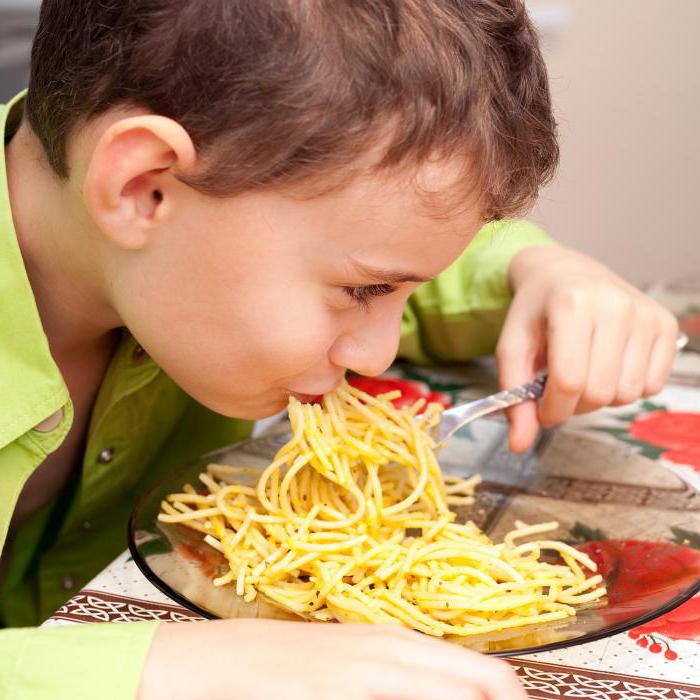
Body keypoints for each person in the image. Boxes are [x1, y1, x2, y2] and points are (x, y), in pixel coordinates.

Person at [0, 0, 678, 698]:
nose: (376, 356)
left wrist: (543, 272)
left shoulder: (175, 250)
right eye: (365, 291)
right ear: (143, 188)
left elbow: (394, 235)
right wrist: (150, 670)